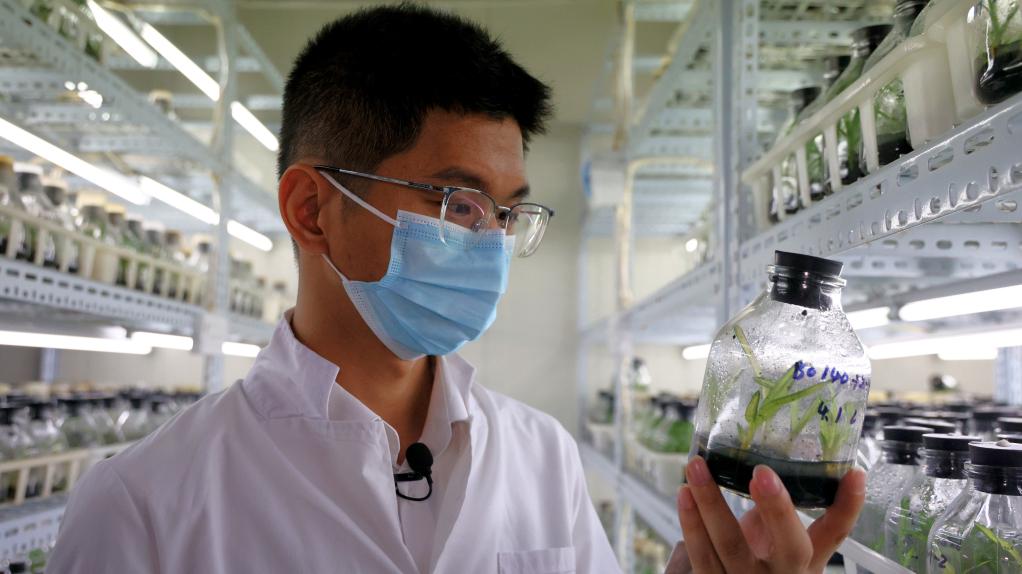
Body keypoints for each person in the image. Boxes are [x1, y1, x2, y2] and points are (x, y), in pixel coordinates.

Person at [48, 4, 865, 573]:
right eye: (455, 202)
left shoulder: (541, 456)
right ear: (311, 210)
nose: (490, 243)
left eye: (507, 213)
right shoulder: (143, 505)